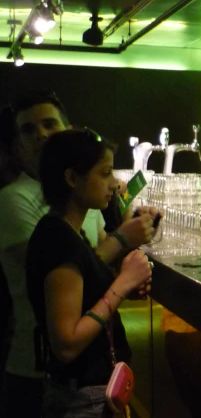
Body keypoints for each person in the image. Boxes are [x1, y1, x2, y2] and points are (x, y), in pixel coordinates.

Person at [0, 89, 156, 417]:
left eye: (49, 124)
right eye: (104, 173)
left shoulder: (69, 220)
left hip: (84, 386)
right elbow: (67, 341)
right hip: (62, 387)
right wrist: (122, 283)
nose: (114, 184)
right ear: (72, 177)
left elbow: (87, 279)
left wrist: (125, 275)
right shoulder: (50, 229)